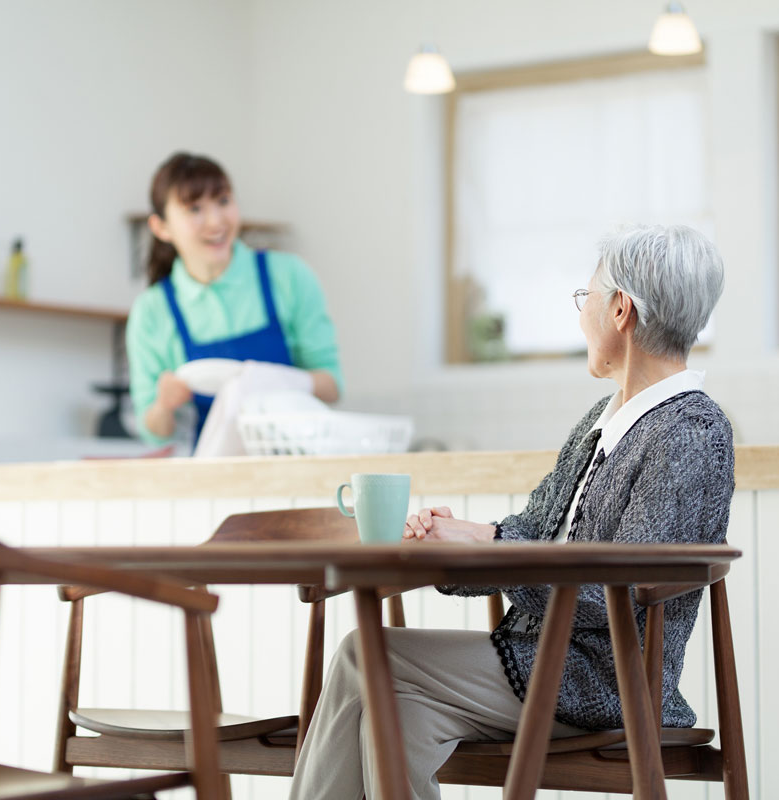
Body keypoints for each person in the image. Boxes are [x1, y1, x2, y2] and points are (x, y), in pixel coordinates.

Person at [288, 224, 735, 800]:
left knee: (362, 654)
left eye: (587, 299)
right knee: (392, 711)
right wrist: (464, 534)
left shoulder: (689, 432)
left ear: (620, 309)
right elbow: (536, 529)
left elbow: (611, 589)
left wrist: (487, 555)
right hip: (541, 661)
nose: (582, 316)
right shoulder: (608, 418)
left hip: (603, 680)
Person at [126, 152, 343, 447]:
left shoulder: (290, 277)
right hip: (214, 480)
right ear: (161, 227)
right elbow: (152, 432)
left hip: (297, 462)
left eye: (224, 201)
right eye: (195, 209)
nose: (216, 221)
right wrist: (164, 405)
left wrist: (278, 381)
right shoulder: (152, 311)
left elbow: (332, 386)